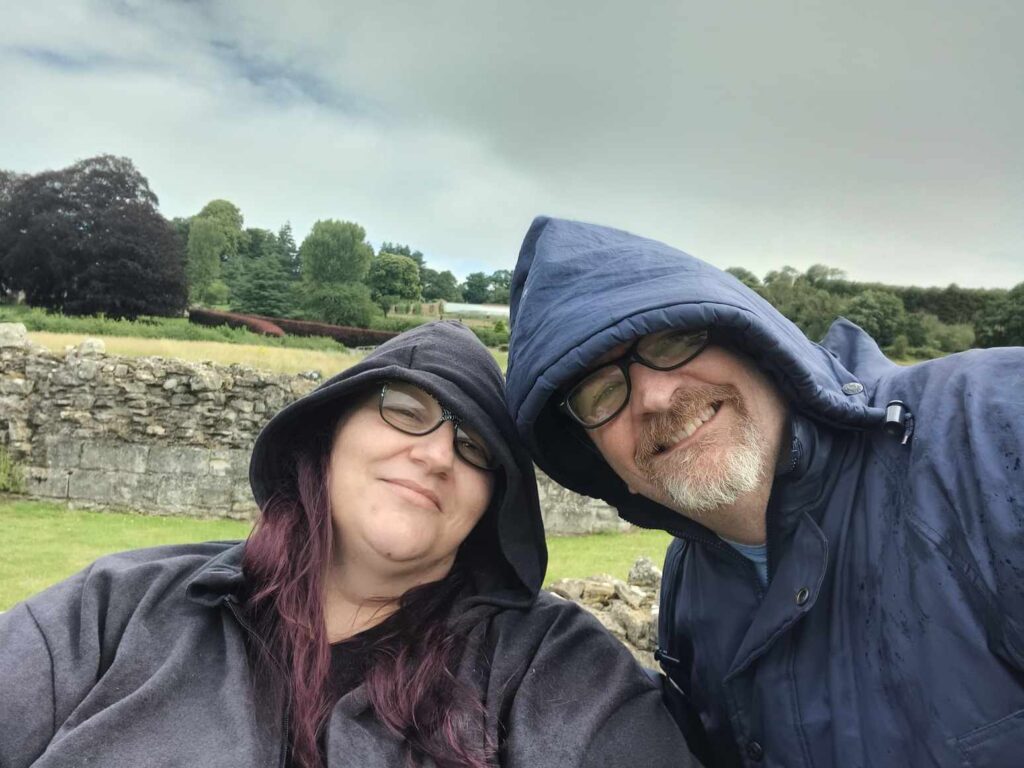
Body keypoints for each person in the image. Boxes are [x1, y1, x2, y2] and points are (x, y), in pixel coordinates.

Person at [0, 320, 697, 768]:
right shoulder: (117, 609)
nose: (434, 456)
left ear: (493, 503)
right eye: (405, 410)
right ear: (328, 434)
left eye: (474, 447)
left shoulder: (553, 667)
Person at [504, 216, 1024, 767]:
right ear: (594, 457)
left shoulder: (988, 433)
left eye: (673, 339)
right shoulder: (689, 582)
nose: (653, 396)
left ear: (750, 337)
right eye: (599, 390)